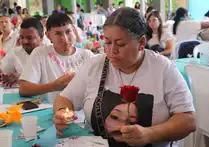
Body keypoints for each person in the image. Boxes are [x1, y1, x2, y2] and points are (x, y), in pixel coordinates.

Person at [53, 7, 196, 147]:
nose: (111, 51)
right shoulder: (95, 65)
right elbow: (65, 99)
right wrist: (62, 113)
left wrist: (149, 134)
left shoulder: (163, 68)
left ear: (141, 43)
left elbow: (188, 120)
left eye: (120, 44)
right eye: (107, 42)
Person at [19, 13, 94, 103]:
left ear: (74, 31)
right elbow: (23, 89)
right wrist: (54, 86)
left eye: (68, 31)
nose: (65, 38)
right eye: (58, 33)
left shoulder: (87, 56)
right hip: (51, 112)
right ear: (48, 36)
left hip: (83, 113)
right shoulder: (40, 54)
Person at [0, 18, 44, 87]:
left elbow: (52, 82)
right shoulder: (15, 52)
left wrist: (22, 78)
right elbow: (3, 71)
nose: (24, 41)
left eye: (29, 38)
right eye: (22, 37)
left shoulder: (50, 53)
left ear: (41, 37)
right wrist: (7, 77)